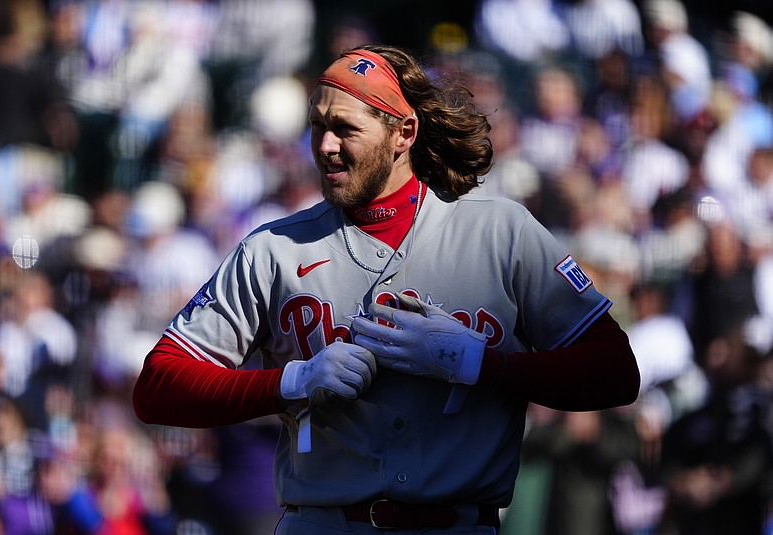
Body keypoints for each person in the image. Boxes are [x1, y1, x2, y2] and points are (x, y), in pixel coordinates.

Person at [132, 43, 640, 534]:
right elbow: (158, 387)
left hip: (458, 525)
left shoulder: (502, 232)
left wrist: (483, 365)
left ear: (403, 133)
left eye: (344, 129)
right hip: (322, 524)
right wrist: (292, 381)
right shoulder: (274, 248)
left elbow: (616, 372)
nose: (325, 145)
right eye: (317, 127)